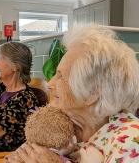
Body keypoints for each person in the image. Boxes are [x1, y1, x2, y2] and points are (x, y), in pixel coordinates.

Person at [11, 27, 139, 163]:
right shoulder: (58, 124)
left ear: (92, 93)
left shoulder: (131, 141)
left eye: (61, 76)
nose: (50, 84)